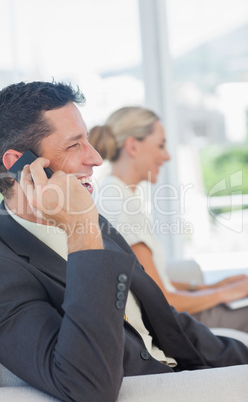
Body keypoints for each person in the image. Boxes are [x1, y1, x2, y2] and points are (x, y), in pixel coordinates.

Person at [0, 83, 248, 402]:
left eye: (88, 141)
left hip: (203, 369)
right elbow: (87, 385)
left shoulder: (96, 220)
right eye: (74, 145)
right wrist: (81, 230)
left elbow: (168, 324)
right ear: (19, 165)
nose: (95, 158)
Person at [89, 106, 248, 333]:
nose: (167, 155)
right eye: (161, 145)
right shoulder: (121, 205)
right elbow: (162, 300)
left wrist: (210, 286)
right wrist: (226, 293)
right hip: (173, 324)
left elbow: (152, 282)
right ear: (133, 146)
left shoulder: (116, 194)